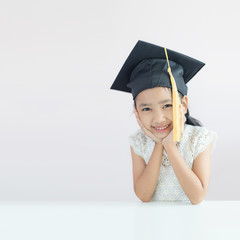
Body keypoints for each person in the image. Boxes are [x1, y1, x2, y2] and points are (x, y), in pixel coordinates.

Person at [110, 40, 217, 205]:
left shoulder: (198, 138)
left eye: (167, 105)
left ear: (183, 105)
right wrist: (158, 144)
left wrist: (170, 146)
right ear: (136, 111)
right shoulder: (139, 142)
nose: (159, 118)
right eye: (146, 109)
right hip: (151, 223)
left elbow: (197, 196)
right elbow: (143, 195)